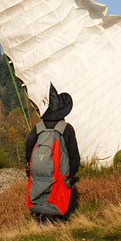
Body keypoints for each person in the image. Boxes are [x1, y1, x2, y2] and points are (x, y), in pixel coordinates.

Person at [25, 84, 80, 218]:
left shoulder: (39, 127)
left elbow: (28, 147)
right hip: (57, 169)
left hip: (38, 168)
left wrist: (29, 165)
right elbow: (73, 154)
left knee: (40, 186)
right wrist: (71, 174)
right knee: (57, 188)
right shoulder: (66, 128)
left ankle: (39, 213)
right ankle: (55, 216)